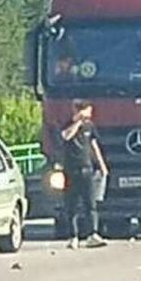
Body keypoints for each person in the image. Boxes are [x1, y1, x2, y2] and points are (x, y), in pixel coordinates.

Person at [59, 100, 109, 249]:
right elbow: (66, 136)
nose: (90, 113)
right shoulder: (67, 124)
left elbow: (94, 145)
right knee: (71, 205)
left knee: (90, 204)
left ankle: (92, 234)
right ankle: (73, 236)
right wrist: (77, 123)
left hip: (86, 169)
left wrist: (102, 165)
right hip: (70, 170)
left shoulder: (90, 126)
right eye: (87, 110)